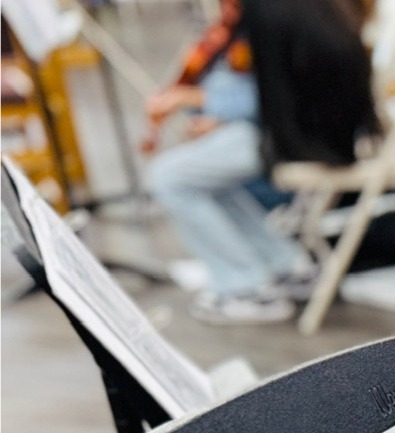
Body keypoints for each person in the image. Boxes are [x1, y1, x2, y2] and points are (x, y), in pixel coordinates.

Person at [142, 0, 373, 324]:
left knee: (168, 178)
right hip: (329, 131)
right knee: (199, 176)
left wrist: (202, 102)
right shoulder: (305, 8)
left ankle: (247, 289)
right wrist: (218, 115)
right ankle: (287, 266)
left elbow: (270, 93)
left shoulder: (267, 9)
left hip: (302, 140)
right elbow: (284, 87)